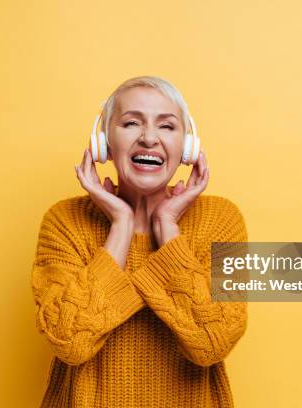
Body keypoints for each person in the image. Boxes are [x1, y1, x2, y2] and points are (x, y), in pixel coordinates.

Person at [30, 75, 248, 407]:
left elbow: (212, 343)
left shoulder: (222, 220)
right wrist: (121, 225)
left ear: (187, 148)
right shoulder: (65, 222)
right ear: (104, 142)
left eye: (167, 127)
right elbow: (71, 342)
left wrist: (167, 227)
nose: (149, 139)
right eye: (131, 123)